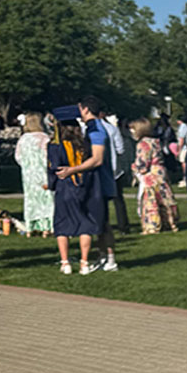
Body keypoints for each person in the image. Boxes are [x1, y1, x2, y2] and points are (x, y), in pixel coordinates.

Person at [56, 97, 119, 271]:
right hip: (95, 182)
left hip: (101, 183)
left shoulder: (96, 130)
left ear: (84, 109)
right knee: (99, 222)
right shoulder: (92, 128)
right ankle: (104, 257)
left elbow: (97, 159)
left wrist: (72, 170)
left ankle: (110, 259)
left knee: (102, 222)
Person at [47, 108, 104, 275]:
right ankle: (84, 263)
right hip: (84, 186)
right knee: (85, 224)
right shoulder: (84, 143)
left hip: (65, 187)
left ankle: (65, 263)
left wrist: (51, 184)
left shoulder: (54, 146)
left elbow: (54, 168)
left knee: (62, 224)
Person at [128, 118, 179, 234]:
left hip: (151, 174)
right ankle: (169, 222)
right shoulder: (155, 141)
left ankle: (153, 224)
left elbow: (143, 163)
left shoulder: (142, 144)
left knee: (151, 199)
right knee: (163, 198)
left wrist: (135, 168)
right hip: (160, 171)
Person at [12, 112, 54, 237]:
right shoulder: (45, 138)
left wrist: (27, 165)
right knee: (47, 200)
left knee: (31, 200)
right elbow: (49, 156)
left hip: (29, 174)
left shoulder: (23, 139)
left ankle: (31, 226)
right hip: (43, 173)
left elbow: (18, 157)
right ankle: (47, 226)